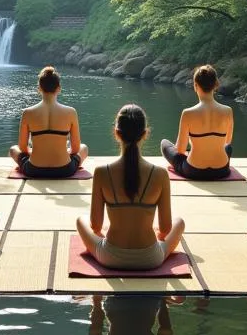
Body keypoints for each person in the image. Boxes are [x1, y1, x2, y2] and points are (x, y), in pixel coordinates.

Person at [76, 104, 185, 270]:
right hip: (150, 258)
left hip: (110, 256)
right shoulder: (160, 174)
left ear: (116, 133)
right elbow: (164, 229)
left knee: (80, 220)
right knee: (179, 222)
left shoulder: (101, 172)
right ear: (145, 134)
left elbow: (96, 227)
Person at [9, 65, 89, 177]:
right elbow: (75, 149)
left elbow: (22, 148)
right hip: (65, 169)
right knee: (83, 148)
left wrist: (36, 152)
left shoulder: (27, 113)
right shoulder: (71, 112)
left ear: (39, 88)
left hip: (34, 169)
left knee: (13, 149)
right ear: (59, 88)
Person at [160, 64, 234, 179]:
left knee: (165, 144)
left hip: (194, 170)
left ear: (195, 86)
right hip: (221, 170)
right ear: (216, 84)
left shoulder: (188, 113)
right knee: (228, 148)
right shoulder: (228, 111)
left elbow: (180, 150)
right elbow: (227, 142)